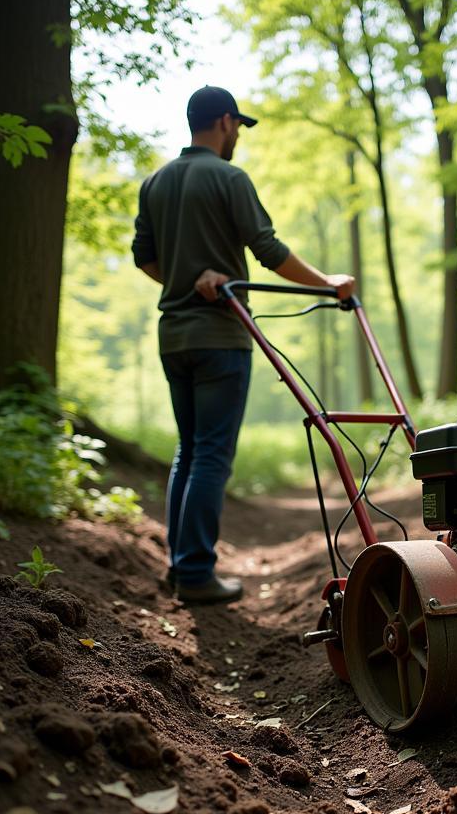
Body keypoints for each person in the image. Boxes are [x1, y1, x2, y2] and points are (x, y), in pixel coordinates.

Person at [132, 85, 354, 604]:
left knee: (189, 451)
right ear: (226, 122)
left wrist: (184, 284)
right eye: (237, 128)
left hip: (174, 336)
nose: (238, 138)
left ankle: (180, 565)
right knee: (210, 455)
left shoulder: (155, 182)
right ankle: (195, 574)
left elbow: (145, 258)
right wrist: (328, 284)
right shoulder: (229, 177)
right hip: (220, 337)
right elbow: (269, 250)